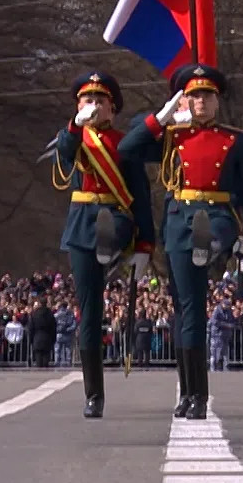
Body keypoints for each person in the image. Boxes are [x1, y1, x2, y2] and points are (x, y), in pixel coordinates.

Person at [119, 64, 243, 420]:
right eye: (194, 95)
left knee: (205, 267)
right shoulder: (172, 136)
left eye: (207, 95)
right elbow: (127, 149)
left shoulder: (234, 140)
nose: (201, 101)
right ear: (184, 100)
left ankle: (199, 395)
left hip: (216, 214)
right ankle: (189, 393)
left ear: (217, 101)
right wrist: (160, 117)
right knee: (186, 311)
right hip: (178, 224)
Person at [50, 72, 153, 416]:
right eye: (86, 100)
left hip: (116, 212)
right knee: (89, 313)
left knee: (115, 227)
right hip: (82, 224)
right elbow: (64, 156)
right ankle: (94, 394)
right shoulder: (74, 138)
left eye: (99, 101)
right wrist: (75, 125)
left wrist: (146, 245)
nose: (92, 106)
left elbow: (141, 197)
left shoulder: (126, 143)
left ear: (112, 109)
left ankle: (111, 248)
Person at [29, 300, 57, 368]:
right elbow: (53, 327)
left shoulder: (34, 314)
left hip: (37, 337)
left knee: (38, 356)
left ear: (39, 304)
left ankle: (39, 372)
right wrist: (53, 338)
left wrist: (31, 338)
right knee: (46, 356)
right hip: (47, 337)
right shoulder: (50, 314)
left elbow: (31, 327)